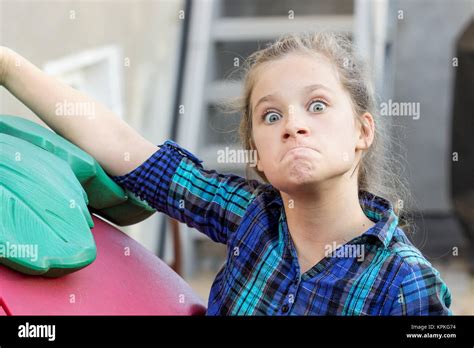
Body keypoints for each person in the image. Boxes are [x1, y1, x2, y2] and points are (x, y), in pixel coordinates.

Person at [0, 32, 452, 315]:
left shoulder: (405, 281)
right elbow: (125, 149)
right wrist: (5, 64)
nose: (294, 124)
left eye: (317, 105)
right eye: (271, 115)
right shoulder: (247, 215)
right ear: (257, 154)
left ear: (363, 130)